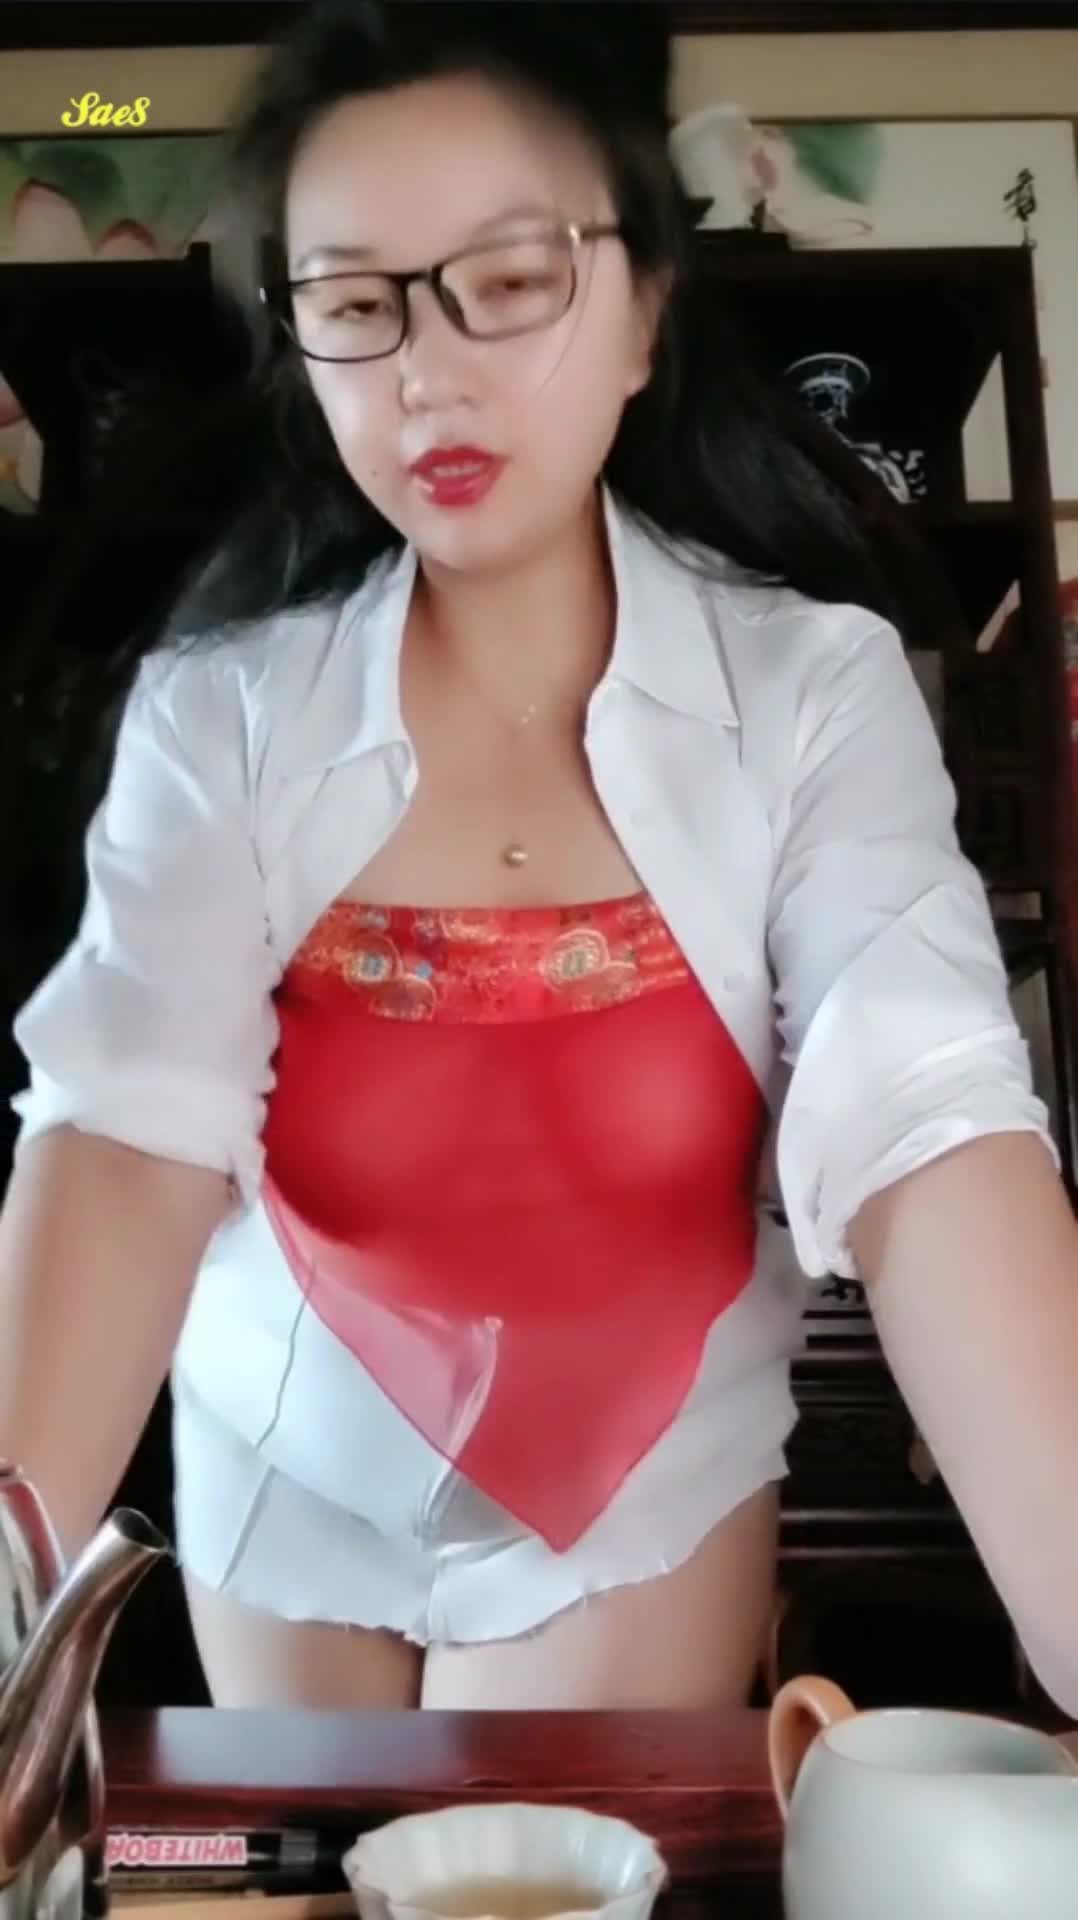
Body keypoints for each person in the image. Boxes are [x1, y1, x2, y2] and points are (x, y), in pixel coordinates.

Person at [2, 0, 1076, 1715]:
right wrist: (7, 1612)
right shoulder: (222, 716)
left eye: (507, 281)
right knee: (296, 1852)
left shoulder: (810, 692)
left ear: (644, 303)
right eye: (355, 304)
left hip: (640, 1483)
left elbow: (923, 1110)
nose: (428, 372)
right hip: (284, 1448)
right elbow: (127, 1133)